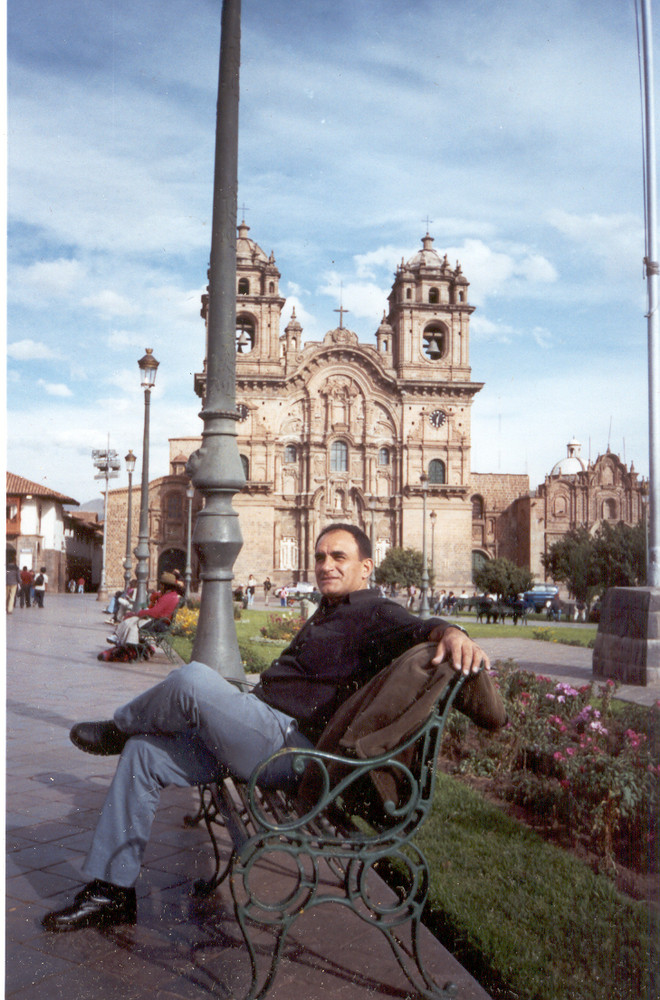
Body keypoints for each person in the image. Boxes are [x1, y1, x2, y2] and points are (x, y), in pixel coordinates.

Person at [42, 523, 489, 933]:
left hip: (289, 749)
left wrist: (453, 633)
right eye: (320, 557)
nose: (325, 565)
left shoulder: (375, 610)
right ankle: (111, 890)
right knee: (143, 754)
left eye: (339, 557)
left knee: (192, 679)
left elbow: (420, 627)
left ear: (366, 567)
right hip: (259, 731)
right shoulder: (330, 609)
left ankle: (117, 729)